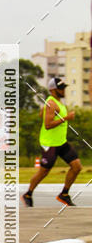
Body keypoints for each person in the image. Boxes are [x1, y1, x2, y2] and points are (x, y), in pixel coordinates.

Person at [22, 77, 81, 207]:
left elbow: (41, 115)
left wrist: (45, 112)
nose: (63, 90)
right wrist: (66, 118)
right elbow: (48, 125)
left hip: (61, 142)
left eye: (64, 87)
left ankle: (64, 194)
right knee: (44, 171)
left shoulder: (56, 102)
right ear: (53, 90)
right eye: (61, 88)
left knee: (77, 166)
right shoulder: (52, 103)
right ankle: (28, 194)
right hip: (50, 143)